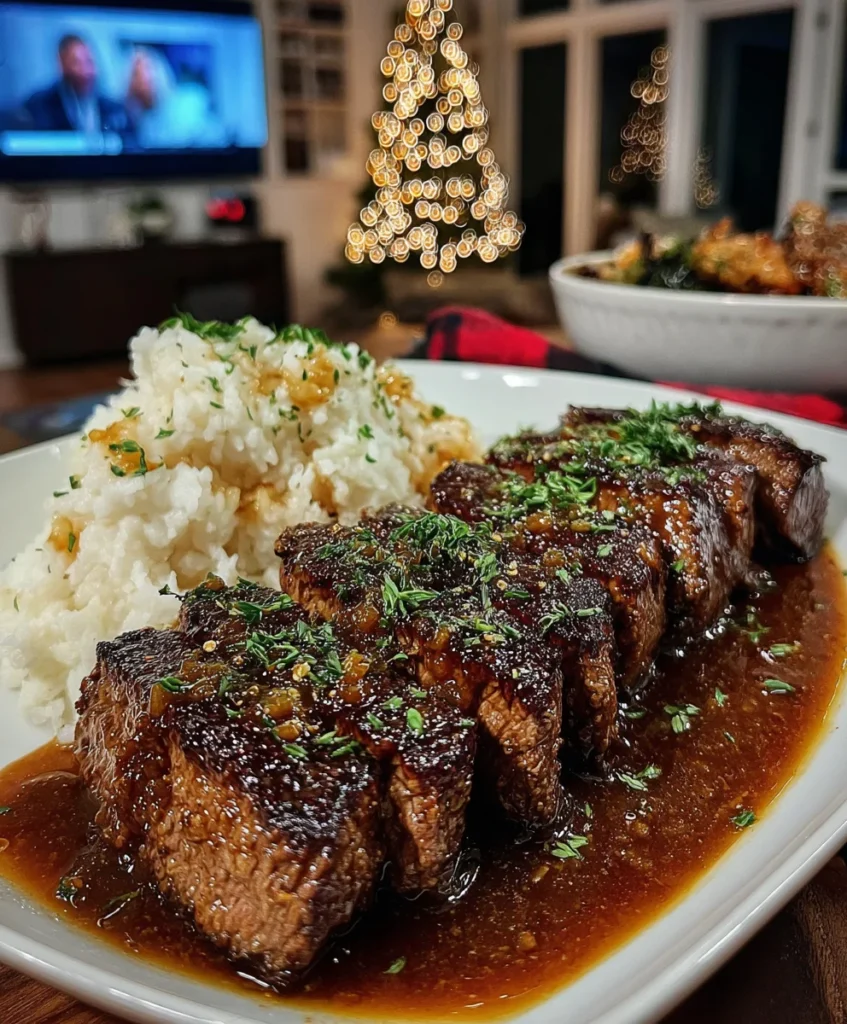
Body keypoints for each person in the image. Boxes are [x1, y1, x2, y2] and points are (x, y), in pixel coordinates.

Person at [21, 34, 131, 135]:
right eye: (77, 63)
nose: (85, 71)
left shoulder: (114, 109)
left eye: (89, 62)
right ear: (61, 63)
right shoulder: (39, 106)